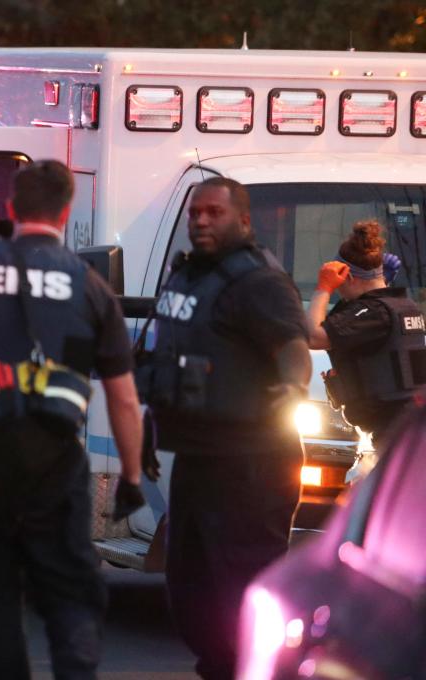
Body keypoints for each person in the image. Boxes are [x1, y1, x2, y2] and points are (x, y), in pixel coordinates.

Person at [0, 160, 145, 679]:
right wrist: (130, 478)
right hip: (54, 463)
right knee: (70, 593)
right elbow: (124, 399)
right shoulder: (89, 286)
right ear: (65, 213)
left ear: (12, 208)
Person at [143, 177, 312, 680]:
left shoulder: (257, 281)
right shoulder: (190, 276)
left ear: (243, 220)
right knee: (189, 587)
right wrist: (151, 427)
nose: (200, 221)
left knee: (241, 586)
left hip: (251, 463)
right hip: (198, 456)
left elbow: (294, 348)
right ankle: (221, 667)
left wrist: (295, 389)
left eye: (213, 213)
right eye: (196, 213)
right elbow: (170, 358)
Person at [306, 220, 426, 443]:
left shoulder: (374, 313)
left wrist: (323, 288)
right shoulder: (402, 306)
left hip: (394, 435)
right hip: (407, 429)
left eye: (338, 284)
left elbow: (313, 336)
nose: (337, 291)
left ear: (349, 277)